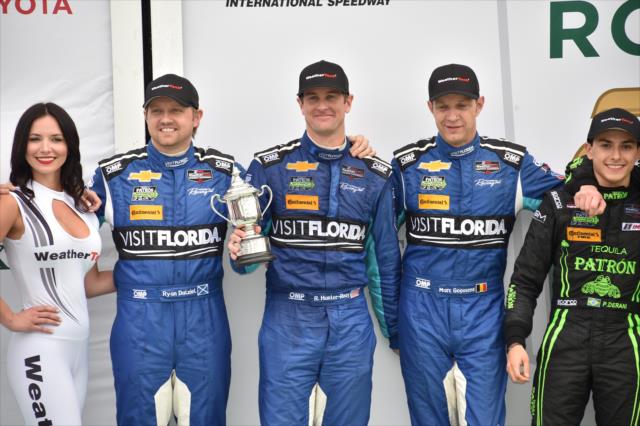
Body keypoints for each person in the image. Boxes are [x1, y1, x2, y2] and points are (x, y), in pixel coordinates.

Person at [87, 72, 375, 425]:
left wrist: (348, 148)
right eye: (156, 110)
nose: (165, 119)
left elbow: (251, 243)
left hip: (203, 318)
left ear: (196, 117)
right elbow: (67, 232)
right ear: (145, 115)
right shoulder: (112, 175)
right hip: (140, 320)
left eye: (176, 110)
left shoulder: (226, 173)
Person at [389, 63, 604, 425]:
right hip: (421, 310)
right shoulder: (407, 165)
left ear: (480, 104)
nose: (452, 116)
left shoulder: (510, 163)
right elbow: (378, 240)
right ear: (430, 108)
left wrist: (586, 182)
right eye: (443, 106)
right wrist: (394, 325)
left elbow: (563, 187)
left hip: (483, 311)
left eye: (462, 105)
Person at [227, 60, 401, 425]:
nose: (322, 105)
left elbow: (384, 259)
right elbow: (247, 253)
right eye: (313, 98)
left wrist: (396, 330)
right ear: (300, 103)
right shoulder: (270, 166)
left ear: (348, 102)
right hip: (288, 315)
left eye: (331, 97)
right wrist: (240, 255)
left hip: (349, 318)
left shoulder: (375, 173)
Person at [504, 107, 640, 424]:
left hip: (625, 339)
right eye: (605, 145)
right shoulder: (559, 202)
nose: (616, 156)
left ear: (637, 152)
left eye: (626, 146)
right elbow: (524, 281)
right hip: (566, 336)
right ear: (589, 149)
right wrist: (515, 340)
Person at [0, 102, 113, 425]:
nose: (45, 148)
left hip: (77, 351)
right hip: (39, 351)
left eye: (56, 139)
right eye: (35, 139)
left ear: (70, 146)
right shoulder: (12, 202)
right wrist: (10, 319)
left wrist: (154, 268)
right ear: (22, 146)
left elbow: (90, 284)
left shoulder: (83, 206)